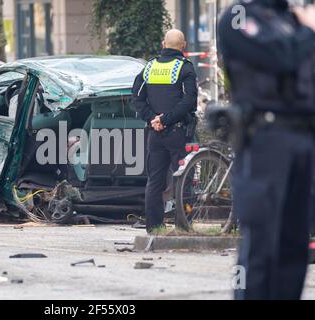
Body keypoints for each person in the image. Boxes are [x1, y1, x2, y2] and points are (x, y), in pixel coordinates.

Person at [218, 0, 315, 299]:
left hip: (303, 140)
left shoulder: (294, 19)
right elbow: (279, 56)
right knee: (261, 246)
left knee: (295, 248)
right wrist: (309, 30)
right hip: (265, 140)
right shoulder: (239, 16)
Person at [132, 29, 198, 233]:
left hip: (155, 134)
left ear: (163, 44)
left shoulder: (149, 67)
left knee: (155, 182)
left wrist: (153, 119)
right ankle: (183, 226)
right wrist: (166, 119)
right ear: (183, 46)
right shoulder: (185, 68)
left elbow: (136, 97)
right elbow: (189, 101)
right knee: (183, 179)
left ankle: (154, 228)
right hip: (178, 133)